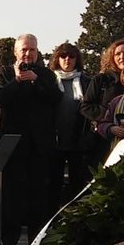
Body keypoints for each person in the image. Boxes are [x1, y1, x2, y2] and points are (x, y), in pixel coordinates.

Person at [0, 34, 59, 245]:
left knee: (38, 196)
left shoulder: (46, 74)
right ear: (16, 52)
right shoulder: (4, 73)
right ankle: (9, 239)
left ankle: (36, 240)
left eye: (31, 50)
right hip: (12, 145)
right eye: (24, 50)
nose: (27, 54)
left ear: (37, 52)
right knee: (11, 194)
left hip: (39, 145)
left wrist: (36, 81)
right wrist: (18, 81)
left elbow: (56, 99)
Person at [47, 42, 93, 209]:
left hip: (77, 141)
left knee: (77, 186)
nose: (67, 60)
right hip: (55, 142)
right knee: (53, 185)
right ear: (57, 58)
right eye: (63, 56)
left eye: (71, 56)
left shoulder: (86, 81)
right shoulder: (50, 80)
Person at [80, 38, 124, 166]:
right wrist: (110, 121)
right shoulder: (101, 80)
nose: (122, 57)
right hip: (104, 141)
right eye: (118, 54)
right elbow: (86, 107)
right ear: (112, 57)